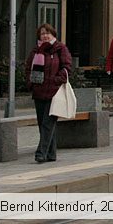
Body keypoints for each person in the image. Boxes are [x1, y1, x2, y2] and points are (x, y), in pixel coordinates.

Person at [24, 24, 72, 163]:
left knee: (47, 123)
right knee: (42, 123)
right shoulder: (36, 51)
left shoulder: (60, 48)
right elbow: (28, 69)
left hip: (54, 92)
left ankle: (40, 153)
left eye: (47, 33)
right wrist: (30, 83)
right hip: (39, 91)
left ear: (53, 34)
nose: (45, 36)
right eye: (42, 33)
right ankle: (51, 154)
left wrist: (55, 80)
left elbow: (67, 68)